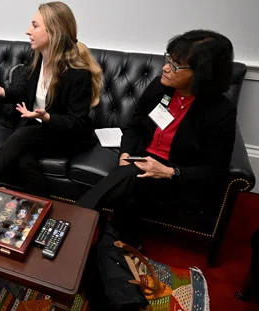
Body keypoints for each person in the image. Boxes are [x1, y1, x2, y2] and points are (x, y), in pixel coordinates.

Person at [75, 30, 237, 247]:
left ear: (202, 73)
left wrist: (169, 172)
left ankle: (73, 219)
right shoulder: (162, 87)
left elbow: (215, 170)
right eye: (167, 58)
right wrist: (125, 154)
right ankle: (121, 243)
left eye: (176, 65)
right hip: (141, 159)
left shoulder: (220, 111)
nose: (165, 67)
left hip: (176, 173)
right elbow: (133, 126)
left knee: (130, 179)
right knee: (130, 180)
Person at [0, 1, 103, 197]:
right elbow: (26, 94)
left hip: (67, 136)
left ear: (54, 31)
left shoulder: (78, 74)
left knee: (22, 135)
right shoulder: (39, 60)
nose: (28, 31)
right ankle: (44, 208)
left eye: (34, 25)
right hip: (41, 130)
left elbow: (77, 122)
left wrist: (48, 118)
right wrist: (3, 92)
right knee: (24, 160)